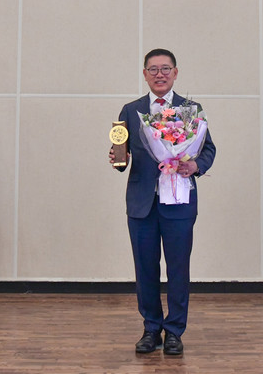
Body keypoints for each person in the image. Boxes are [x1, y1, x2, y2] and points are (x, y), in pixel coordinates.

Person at [109, 48, 216, 355]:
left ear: (175, 73)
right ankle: (151, 328)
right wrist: (116, 158)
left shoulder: (191, 109)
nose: (160, 74)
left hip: (179, 200)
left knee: (178, 268)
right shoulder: (131, 110)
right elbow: (122, 154)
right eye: (153, 69)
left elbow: (208, 149)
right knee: (145, 268)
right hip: (142, 203)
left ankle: (174, 331)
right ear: (145, 74)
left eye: (165, 69)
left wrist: (195, 166)